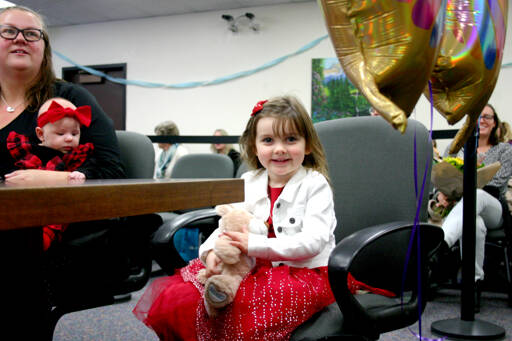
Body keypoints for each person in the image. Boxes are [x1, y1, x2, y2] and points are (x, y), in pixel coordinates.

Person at [133, 96, 337, 340]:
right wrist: (210, 254)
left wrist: (254, 245)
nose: (280, 148)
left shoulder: (315, 184)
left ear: (307, 145)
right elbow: (225, 225)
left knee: (244, 309)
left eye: (291, 139)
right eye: (268, 140)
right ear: (254, 146)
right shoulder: (248, 181)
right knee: (183, 297)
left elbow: (313, 242)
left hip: (302, 271)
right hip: (247, 265)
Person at [435, 103, 512, 309]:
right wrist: (441, 193)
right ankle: (474, 282)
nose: (482, 120)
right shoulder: (455, 148)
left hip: (493, 206)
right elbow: (441, 179)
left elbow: (497, 183)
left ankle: (440, 245)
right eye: (478, 117)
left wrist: (459, 191)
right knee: (474, 224)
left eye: (487, 117)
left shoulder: (504, 150)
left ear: (495, 123)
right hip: (462, 207)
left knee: (475, 193)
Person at [6, 97, 94, 250]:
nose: (69, 138)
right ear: (41, 134)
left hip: (59, 206)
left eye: (75, 134)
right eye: (60, 134)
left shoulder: (77, 155)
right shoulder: (27, 151)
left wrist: (81, 173)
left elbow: (91, 168)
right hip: (26, 204)